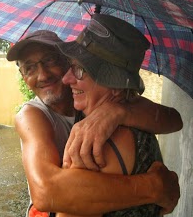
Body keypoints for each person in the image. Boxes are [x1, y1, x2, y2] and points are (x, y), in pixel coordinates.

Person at [6, 30, 181, 217]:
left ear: (67, 62)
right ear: (23, 77)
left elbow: (174, 119)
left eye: (50, 60)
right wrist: (153, 187)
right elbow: (44, 192)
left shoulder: (98, 99)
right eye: (29, 68)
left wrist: (118, 112)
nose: (42, 75)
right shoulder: (31, 116)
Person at [60, 13, 168, 216]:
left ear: (115, 86)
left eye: (79, 70)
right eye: (69, 67)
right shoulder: (140, 124)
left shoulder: (96, 143)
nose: (66, 79)